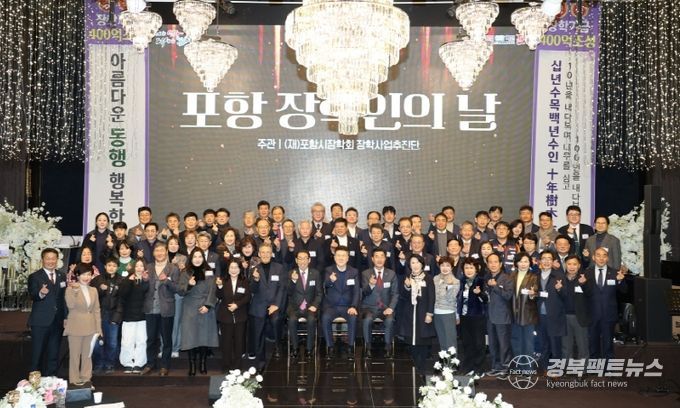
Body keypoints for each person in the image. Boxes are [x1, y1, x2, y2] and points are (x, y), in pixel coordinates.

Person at [178, 248, 219, 376]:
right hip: (190, 307)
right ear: (191, 258)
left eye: (200, 256)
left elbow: (213, 290)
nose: (197, 259)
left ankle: (202, 363)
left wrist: (208, 305)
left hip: (205, 307)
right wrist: (189, 285)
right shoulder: (185, 272)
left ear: (203, 258)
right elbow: (180, 291)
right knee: (190, 337)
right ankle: (192, 365)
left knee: (204, 336)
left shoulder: (209, 271)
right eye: (195, 256)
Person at [142, 243, 180, 376]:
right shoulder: (148, 267)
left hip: (166, 308)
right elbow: (143, 289)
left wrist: (167, 281)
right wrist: (144, 280)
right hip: (150, 308)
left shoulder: (173, 268)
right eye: (157, 251)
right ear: (153, 253)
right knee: (151, 339)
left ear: (166, 252)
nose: (159, 253)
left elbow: (178, 289)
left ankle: (165, 365)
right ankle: (150, 364)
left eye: (162, 251)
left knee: (166, 339)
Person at [28, 248, 67, 376]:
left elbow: (63, 299)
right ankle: (34, 382)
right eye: (48, 258)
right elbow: (33, 295)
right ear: (43, 260)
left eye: (53, 258)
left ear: (57, 260)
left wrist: (65, 317)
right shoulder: (35, 276)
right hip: (40, 321)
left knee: (53, 354)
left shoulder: (62, 275)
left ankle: (51, 381)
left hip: (57, 321)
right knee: (37, 354)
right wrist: (41, 293)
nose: (51, 261)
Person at [397, 254, 435, 376]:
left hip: (423, 313)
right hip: (410, 314)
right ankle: (415, 367)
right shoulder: (407, 278)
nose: (415, 265)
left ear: (422, 264)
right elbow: (402, 296)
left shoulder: (428, 278)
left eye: (417, 262)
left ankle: (422, 368)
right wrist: (407, 287)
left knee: (422, 340)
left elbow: (432, 297)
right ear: (409, 265)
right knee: (412, 341)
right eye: (412, 263)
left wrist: (429, 313)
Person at [585, 247, 627, 358]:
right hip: (592, 315)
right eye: (598, 255)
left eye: (604, 255)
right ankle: (594, 366)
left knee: (608, 345)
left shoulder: (615, 272)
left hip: (609, 315)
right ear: (593, 257)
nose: (601, 258)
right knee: (593, 344)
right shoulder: (586, 273)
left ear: (607, 258)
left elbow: (624, 291)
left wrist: (620, 280)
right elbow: (584, 293)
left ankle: (608, 367)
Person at [64, 265, 102, 386]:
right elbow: (70, 305)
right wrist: (75, 292)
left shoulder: (93, 290)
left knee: (87, 355)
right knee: (74, 356)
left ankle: (86, 379)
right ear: (77, 275)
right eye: (83, 274)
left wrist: (98, 329)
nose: (86, 277)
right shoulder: (70, 289)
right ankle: (74, 381)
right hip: (75, 326)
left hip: (90, 327)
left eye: (89, 274)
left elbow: (97, 310)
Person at [248, 243, 286, 362]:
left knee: (276, 321)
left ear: (271, 254)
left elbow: (282, 288)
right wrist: (256, 279)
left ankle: (278, 346)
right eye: (263, 252)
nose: (265, 255)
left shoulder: (279, 268)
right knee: (258, 333)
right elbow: (252, 290)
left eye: (268, 252)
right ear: (259, 254)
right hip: (259, 305)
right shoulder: (254, 269)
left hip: (274, 304)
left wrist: (276, 305)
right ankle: (261, 361)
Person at [322, 246, 361, 360]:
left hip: (348, 306)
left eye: (343, 255)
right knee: (325, 318)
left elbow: (356, 291)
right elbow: (324, 286)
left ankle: (350, 347)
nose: (341, 258)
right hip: (332, 306)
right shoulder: (329, 270)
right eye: (338, 255)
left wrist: (353, 306)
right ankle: (330, 347)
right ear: (334, 257)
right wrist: (330, 281)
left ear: (348, 258)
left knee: (353, 318)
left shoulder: (354, 271)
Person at [360, 248, 398, 359]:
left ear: (385, 258)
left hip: (385, 307)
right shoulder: (365, 273)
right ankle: (368, 347)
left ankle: (388, 347)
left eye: (382, 256)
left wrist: (391, 308)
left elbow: (395, 294)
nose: (379, 259)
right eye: (377, 256)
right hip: (369, 307)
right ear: (372, 259)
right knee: (367, 320)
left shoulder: (391, 274)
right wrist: (370, 285)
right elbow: (364, 293)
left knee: (390, 320)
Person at [287, 250, 323, 360]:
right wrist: (293, 281)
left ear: (309, 260)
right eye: (300, 258)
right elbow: (288, 292)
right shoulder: (291, 273)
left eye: (305, 258)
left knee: (312, 320)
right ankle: (295, 348)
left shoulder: (315, 273)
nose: (302, 261)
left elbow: (319, 293)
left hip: (310, 306)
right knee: (292, 320)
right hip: (295, 307)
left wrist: (315, 305)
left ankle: (309, 348)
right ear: (296, 260)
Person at [91, 257, 125, 374]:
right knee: (98, 342)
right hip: (98, 315)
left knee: (112, 342)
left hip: (114, 315)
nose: (111, 268)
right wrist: (100, 290)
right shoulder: (97, 280)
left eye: (114, 266)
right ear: (105, 266)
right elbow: (91, 298)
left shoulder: (121, 280)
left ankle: (110, 364)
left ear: (118, 267)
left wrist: (117, 316)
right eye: (109, 265)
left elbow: (122, 300)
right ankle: (98, 364)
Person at [535, 250, 567, 370]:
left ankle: (556, 369)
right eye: (544, 258)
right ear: (539, 261)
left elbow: (565, 296)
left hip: (554, 315)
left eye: (549, 259)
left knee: (555, 344)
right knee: (543, 343)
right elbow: (534, 295)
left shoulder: (559, 276)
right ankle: (544, 367)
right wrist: (533, 295)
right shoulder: (535, 276)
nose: (546, 261)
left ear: (553, 261)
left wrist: (559, 289)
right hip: (540, 315)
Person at [216, 259, 251, 370]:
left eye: (236, 267)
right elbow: (219, 296)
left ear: (240, 269)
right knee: (226, 342)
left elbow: (247, 296)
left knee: (239, 342)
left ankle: (237, 366)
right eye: (231, 267)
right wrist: (219, 287)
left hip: (240, 315)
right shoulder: (222, 280)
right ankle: (226, 365)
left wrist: (237, 305)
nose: (234, 270)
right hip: (225, 316)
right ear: (228, 269)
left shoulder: (244, 281)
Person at [484, 252, 514, 379]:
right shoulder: (486, 278)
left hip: (502, 316)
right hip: (490, 316)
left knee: (504, 344)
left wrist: (495, 286)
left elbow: (508, 295)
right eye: (490, 262)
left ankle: (506, 368)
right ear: (487, 264)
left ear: (500, 264)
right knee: (492, 344)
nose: (493, 264)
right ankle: (495, 367)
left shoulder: (507, 278)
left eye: (496, 262)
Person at [457, 258, 488, 376]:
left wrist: (479, 293)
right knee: (467, 343)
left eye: (471, 268)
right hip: (464, 317)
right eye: (466, 268)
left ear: (477, 269)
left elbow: (486, 299)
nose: (469, 270)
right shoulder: (461, 281)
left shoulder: (481, 281)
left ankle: (479, 368)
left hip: (477, 316)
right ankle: (468, 366)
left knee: (479, 343)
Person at [118, 259, 150, 373]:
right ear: (133, 268)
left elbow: (147, 294)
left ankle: (139, 363)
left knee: (141, 341)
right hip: (129, 315)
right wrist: (129, 281)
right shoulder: (127, 280)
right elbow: (122, 295)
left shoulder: (147, 280)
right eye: (137, 266)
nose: (139, 268)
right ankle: (127, 363)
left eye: (141, 266)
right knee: (127, 341)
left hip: (143, 316)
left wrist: (145, 280)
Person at [561, 255, 592, 361]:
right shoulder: (560, 279)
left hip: (580, 317)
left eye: (574, 264)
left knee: (582, 346)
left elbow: (590, 295)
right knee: (566, 346)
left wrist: (584, 284)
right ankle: (566, 367)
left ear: (579, 266)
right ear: (565, 265)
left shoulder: (584, 278)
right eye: (569, 264)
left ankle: (583, 368)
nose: (571, 267)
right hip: (564, 317)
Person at [510, 252, 539, 357]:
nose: (523, 264)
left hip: (528, 314)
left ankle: (528, 365)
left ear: (530, 263)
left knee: (528, 341)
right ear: (516, 263)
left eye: (526, 261)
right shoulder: (511, 276)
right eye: (520, 261)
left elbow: (537, 293)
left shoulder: (534, 277)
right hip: (513, 313)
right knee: (515, 340)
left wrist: (532, 294)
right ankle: (517, 363)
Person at [432, 257, 459, 353]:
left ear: (452, 267)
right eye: (442, 265)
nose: (445, 268)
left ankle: (452, 362)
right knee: (442, 341)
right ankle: (444, 361)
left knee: (450, 342)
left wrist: (449, 286)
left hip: (448, 312)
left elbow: (451, 298)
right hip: (436, 312)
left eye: (448, 266)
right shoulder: (435, 278)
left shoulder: (455, 281)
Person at [168, 235, 187, 358]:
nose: (173, 246)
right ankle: (164, 347)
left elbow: (185, 277)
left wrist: (180, 268)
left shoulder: (183, 258)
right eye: (171, 243)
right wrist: (171, 265)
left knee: (176, 321)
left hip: (177, 293)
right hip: (164, 294)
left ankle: (175, 347)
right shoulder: (162, 256)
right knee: (165, 322)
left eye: (176, 243)